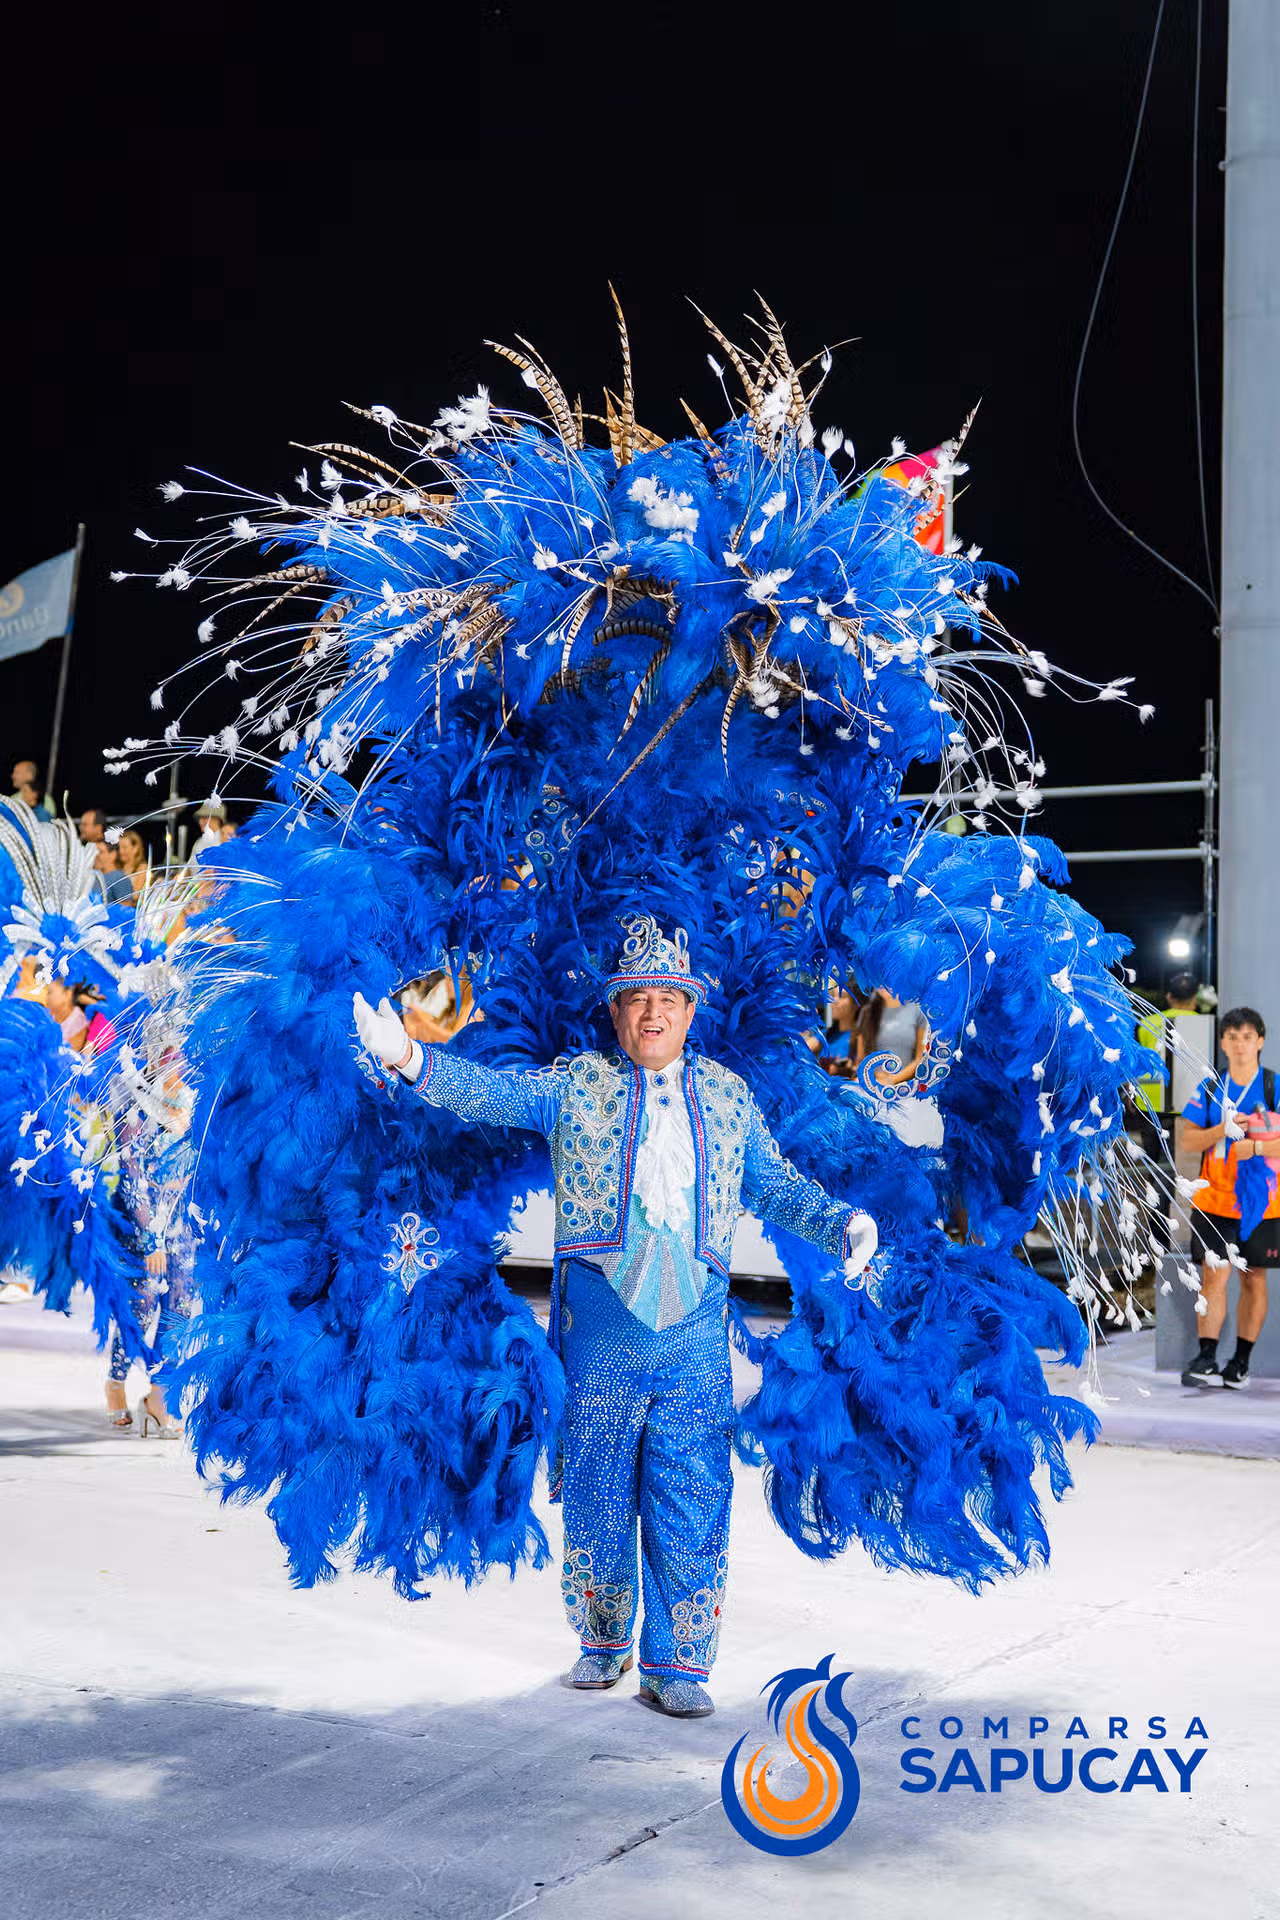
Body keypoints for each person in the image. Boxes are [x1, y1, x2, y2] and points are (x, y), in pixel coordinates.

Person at [354, 914, 879, 1719]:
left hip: (697, 1338)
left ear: (691, 1010)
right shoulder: (575, 1086)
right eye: (636, 999)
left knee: (693, 1490)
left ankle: (681, 1663)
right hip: (599, 1340)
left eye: (668, 998)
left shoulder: (728, 1098)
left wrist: (843, 1222)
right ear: (616, 1011)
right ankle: (602, 1642)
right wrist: (409, 1056)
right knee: (598, 1494)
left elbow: (774, 1187)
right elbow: (492, 1095)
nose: (653, 1013)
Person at [1178, 1005, 1280, 1389]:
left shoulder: (1274, 1086)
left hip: (1264, 1203)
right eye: (1232, 1037)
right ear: (1222, 1042)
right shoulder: (1210, 1086)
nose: (1239, 1044)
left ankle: (1240, 1363)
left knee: (1254, 1281)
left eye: (1247, 1037)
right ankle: (1206, 1358)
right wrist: (1220, 1129)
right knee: (1212, 1279)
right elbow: (1188, 1140)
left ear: (1260, 1041)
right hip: (1214, 1200)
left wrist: (1255, 1149)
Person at [1135, 970, 1201, 1117]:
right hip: (1189, 1099)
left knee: (1155, 1139)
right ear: (1195, 998)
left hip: (1150, 1098)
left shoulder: (1147, 1023)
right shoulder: (1203, 1023)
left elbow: (1142, 1060)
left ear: (1169, 996)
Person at [116, 827, 149, 902]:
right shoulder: (116, 867)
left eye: (124, 847)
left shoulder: (142, 868)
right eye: (118, 848)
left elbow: (135, 895)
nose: (120, 851)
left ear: (135, 848)